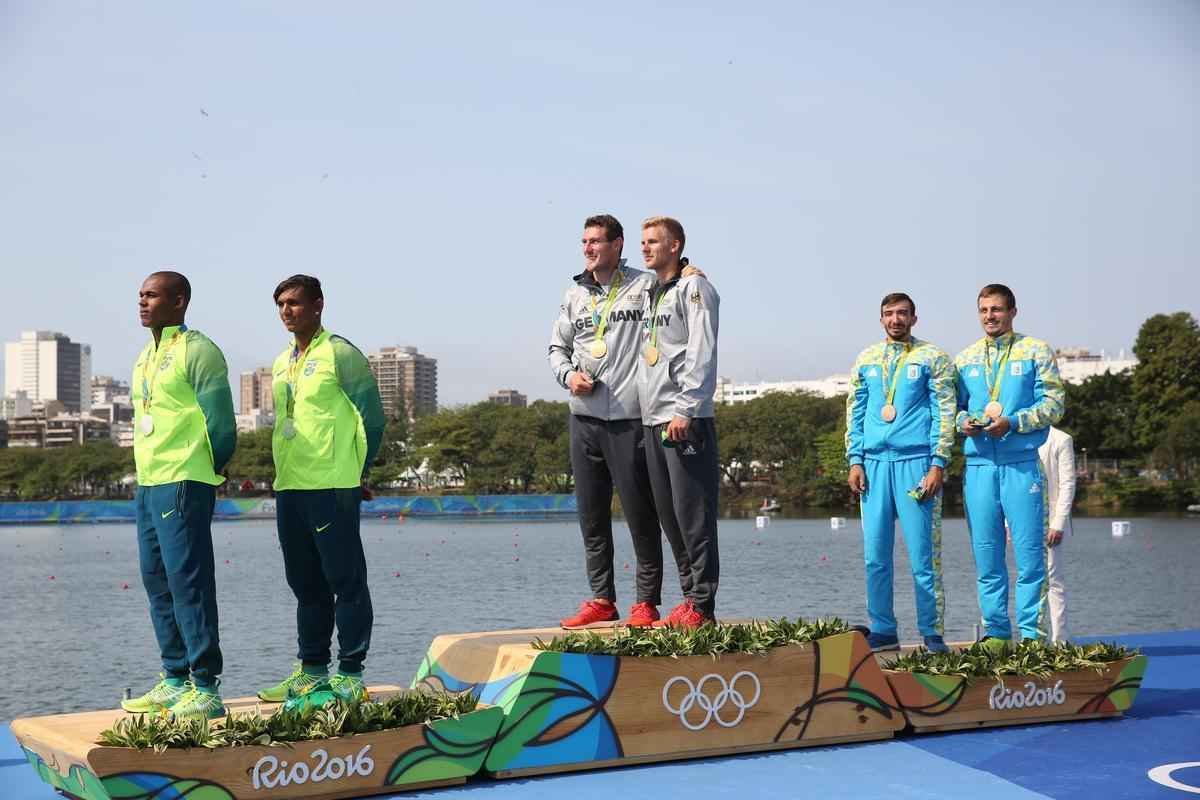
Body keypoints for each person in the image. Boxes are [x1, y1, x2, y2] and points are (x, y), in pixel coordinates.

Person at [258, 275, 386, 707]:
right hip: (290, 485)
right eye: (280, 304)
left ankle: (350, 672)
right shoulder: (280, 362)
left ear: (318, 305)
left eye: (294, 303)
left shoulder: (341, 354)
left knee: (345, 580)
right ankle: (312, 671)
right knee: (304, 583)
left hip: (333, 484)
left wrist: (359, 470)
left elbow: (372, 418)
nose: (286, 311)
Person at [122, 271, 236, 721]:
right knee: (157, 582)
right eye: (140, 296)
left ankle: (205, 687)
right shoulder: (143, 357)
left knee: (189, 582)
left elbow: (222, 424)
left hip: (185, 479)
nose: (143, 302)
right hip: (148, 482)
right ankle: (175, 679)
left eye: (152, 295)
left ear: (179, 301)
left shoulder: (199, 350)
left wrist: (209, 469)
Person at [548, 214, 667, 629]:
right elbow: (556, 348)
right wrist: (569, 376)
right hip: (584, 420)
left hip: (631, 418)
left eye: (596, 241)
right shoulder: (573, 294)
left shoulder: (643, 286)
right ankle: (602, 598)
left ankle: (646, 602)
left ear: (617, 244)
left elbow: (676, 290)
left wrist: (689, 270)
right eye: (584, 241)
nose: (588, 248)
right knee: (592, 516)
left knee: (640, 514)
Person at [956, 284, 1065, 652]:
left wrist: (1014, 422)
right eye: (984, 310)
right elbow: (951, 408)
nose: (991, 316)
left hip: (1020, 465)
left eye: (998, 309)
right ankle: (997, 634)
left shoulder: (1036, 351)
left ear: (1013, 311)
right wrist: (963, 423)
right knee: (987, 555)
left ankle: (1032, 637)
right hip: (979, 467)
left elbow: (1054, 404)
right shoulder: (965, 358)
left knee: (1030, 555)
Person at [845, 293, 956, 653]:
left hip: (917, 464)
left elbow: (945, 411)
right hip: (874, 467)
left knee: (924, 556)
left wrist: (938, 463)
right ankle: (883, 628)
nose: (896, 319)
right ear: (881, 320)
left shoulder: (932, 357)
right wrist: (855, 460)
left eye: (902, 314)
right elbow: (855, 411)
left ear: (914, 318)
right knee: (875, 555)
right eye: (889, 314)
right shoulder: (866, 359)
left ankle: (932, 632)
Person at [636, 216, 721, 628]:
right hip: (653, 419)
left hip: (684, 418)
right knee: (669, 517)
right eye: (642, 242)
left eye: (653, 241)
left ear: (676, 246)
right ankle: (688, 599)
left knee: (694, 516)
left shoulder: (694, 288)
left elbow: (701, 350)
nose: (645, 248)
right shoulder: (652, 292)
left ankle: (703, 606)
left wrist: (687, 407)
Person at [1039, 426, 1076, 643]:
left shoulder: (1061, 439)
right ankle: (1034, 638)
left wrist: (1059, 523)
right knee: (1029, 581)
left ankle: (1060, 640)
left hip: (1052, 521)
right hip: (1024, 522)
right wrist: (1008, 523)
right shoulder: (1018, 437)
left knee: (1053, 581)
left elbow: (1068, 484)